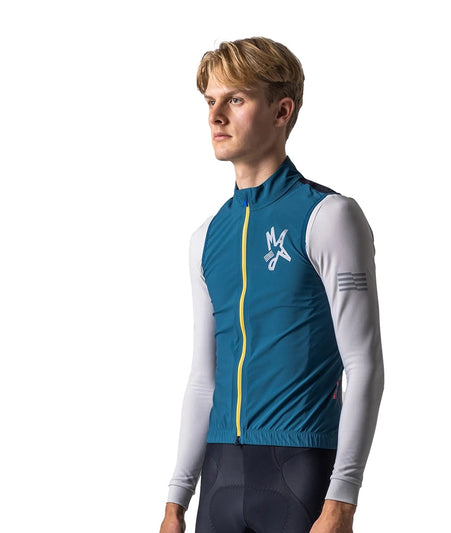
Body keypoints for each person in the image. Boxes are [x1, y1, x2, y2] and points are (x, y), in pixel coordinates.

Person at [159, 37, 384, 533]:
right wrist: (176, 499)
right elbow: (203, 380)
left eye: (235, 99)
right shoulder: (206, 238)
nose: (216, 116)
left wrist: (342, 498)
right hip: (219, 478)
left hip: (299, 473)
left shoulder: (328, 217)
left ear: (282, 111)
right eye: (210, 101)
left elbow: (363, 363)